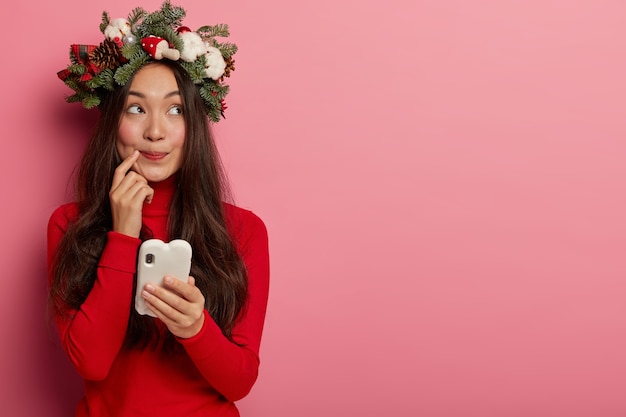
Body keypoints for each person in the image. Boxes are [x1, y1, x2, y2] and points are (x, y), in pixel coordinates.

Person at [47, 2, 270, 416]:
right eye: (136, 108)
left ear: (196, 124)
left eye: (175, 109)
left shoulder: (243, 229)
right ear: (112, 121)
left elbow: (240, 381)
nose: (154, 131)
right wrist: (123, 234)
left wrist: (196, 329)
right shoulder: (68, 225)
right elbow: (92, 364)